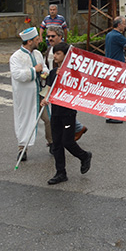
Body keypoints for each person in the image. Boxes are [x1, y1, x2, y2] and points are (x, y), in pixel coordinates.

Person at [41, 43, 92, 185]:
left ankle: (84, 156)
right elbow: (49, 89)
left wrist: (64, 76)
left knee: (67, 142)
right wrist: (45, 99)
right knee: (56, 143)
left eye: (58, 53)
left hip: (68, 112)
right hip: (55, 112)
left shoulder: (73, 73)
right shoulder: (53, 73)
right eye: (54, 53)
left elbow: (78, 90)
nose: (55, 56)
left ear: (65, 55)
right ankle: (60, 172)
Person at [10, 27, 51, 160]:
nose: (39, 41)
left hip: (39, 93)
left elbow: (44, 68)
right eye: (36, 39)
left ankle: (52, 143)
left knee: (48, 119)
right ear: (29, 42)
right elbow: (18, 75)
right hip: (25, 97)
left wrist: (44, 73)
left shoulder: (38, 54)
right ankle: (22, 149)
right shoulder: (16, 57)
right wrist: (34, 70)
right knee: (25, 120)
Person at [44, 25, 87, 141]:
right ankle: (59, 139)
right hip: (53, 84)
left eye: (53, 36)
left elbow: (76, 71)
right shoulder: (49, 51)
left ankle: (73, 132)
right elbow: (47, 66)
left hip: (65, 89)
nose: (50, 38)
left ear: (60, 36)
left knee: (65, 114)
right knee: (56, 114)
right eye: (48, 36)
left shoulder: (68, 51)